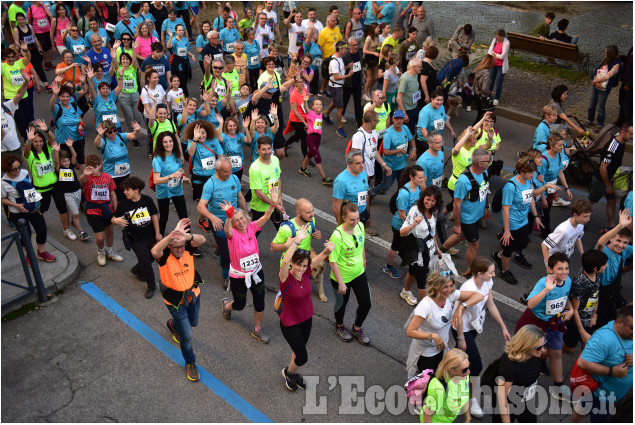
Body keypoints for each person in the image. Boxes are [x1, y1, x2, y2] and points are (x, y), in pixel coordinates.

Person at [451, 257, 512, 418]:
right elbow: (458, 314)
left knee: (462, 362)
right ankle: (471, 400)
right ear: (479, 273)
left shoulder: (487, 283)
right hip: (461, 328)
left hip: (473, 327)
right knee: (476, 366)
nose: (493, 275)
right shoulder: (468, 287)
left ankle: (455, 388)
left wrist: (503, 327)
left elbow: (490, 303)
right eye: (491, 272)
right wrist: (460, 338)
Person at [278, 225, 334, 391]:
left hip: (307, 318)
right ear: (292, 264)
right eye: (298, 265)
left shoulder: (307, 272)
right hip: (290, 322)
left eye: (304, 266)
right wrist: (297, 241)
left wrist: (328, 250)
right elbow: (286, 260)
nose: (301, 269)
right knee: (302, 357)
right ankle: (288, 372)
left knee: (298, 350)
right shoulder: (285, 277)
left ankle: (293, 373)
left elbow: (320, 258)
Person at [514, 252, 575, 402]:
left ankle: (558, 387)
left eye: (566, 268)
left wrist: (571, 309)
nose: (564, 272)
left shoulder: (568, 281)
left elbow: (566, 297)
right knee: (525, 355)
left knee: (556, 353)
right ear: (550, 269)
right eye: (560, 269)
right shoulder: (543, 283)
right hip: (534, 322)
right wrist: (547, 290)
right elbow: (530, 304)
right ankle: (516, 384)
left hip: (554, 323)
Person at [151, 218, 206, 382]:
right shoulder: (164, 255)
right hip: (175, 302)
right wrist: (171, 236)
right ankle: (190, 362)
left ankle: (173, 325)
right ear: (169, 246)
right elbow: (154, 251)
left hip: (193, 295)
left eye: (181, 246)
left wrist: (186, 237)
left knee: (194, 323)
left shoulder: (187, 247)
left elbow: (202, 240)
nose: (180, 250)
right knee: (187, 335)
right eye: (176, 247)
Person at [220, 190, 278, 344]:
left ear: (246, 218)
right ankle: (227, 306)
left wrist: (273, 204)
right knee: (240, 305)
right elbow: (226, 229)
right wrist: (228, 216)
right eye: (236, 220)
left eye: (241, 218)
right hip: (238, 276)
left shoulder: (252, 227)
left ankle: (257, 330)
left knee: (260, 302)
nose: (240, 222)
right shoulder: (232, 235)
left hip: (256, 273)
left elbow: (265, 217)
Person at [406, 271, 484, 378]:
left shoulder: (450, 296)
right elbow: (410, 331)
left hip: (441, 349)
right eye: (445, 287)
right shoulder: (426, 305)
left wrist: (461, 307)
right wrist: (433, 336)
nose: (449, 290)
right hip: (426, 353)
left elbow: (479, 295)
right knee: (424, 384)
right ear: (436, 287)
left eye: (451, 286)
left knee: (438, 380)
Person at [575, 304, 633, 423]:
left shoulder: (629, 333)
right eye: (632, 328)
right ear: (619, 322)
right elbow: (583, 363)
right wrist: (612, 371)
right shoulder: (603, 339)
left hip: (623, 396)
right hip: (602, 397)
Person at [491, 158, 544, 284]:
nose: (533, 175)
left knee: (523, 243)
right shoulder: (511, 186)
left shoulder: (529, 180)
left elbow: (530, 197)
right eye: (530, 172)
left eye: (533, 172)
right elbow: (505, 209)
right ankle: (504, 271)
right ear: (521, 171)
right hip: (512, 222)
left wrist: (536, 216)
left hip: (523, 220)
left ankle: (499, 255)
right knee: (509, 249)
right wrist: (507, 231)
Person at [197, 157, 247, 289]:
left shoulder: (234, 179)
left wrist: (247, 216)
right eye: (226, 171)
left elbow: (240, 197)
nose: (229, 174)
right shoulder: (210, 184)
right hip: (219, 223)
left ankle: (220, 247)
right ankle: (226, 275)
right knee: (226, 252)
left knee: (237, 246)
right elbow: (201, 206)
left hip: (235, 220)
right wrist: (212, 217)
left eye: (230, 170)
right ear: (217, 170)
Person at [329, 203, 373, 345]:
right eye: (352, 220)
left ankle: (357, 327)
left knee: (366, 303)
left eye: (357, 218)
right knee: (342, 304)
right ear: (343, 218)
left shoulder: (359, 226)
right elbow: (332, 260)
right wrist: (341, 282)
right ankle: (339, 326)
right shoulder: (337, 235)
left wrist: (364, 259)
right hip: (342, 277)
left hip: (358, 272)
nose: (356, 222)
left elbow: (362, 244)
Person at [442, 148, 491, 275]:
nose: (490, 161)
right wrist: (457, 225)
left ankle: (441, 251)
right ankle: (471, 270)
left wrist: (486, 207)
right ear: (480, 163)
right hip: (467, 218)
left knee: (462, 235)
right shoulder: (463, 181)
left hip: (477, 215)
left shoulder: (484, 172)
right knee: (474, 244)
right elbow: (456, 204)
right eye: (488, 160)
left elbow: (484, 190)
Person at [1, 154, 56, 264]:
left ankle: (41, 252)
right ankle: (29, 255)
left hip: (32, 208)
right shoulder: (3, 182)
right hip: (17, 212)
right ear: (7, 169)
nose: (17, 171)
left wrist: (36, 195)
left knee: (41, 229)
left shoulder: (24, 172)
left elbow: (29, 188)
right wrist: (17, 206)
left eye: (19, 167)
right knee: (26, 234)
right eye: (14, 169)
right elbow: (2, 199)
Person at [111, 177, 160, 299]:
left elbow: (154, 216)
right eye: (124, 190)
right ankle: (151, 286)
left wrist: (158, 233)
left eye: (127, 190)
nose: (125, 192)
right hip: (135, 239)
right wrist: (116, 220)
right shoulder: (123, 204)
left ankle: (137, 268)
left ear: (136, 189)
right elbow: (113, 219)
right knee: (145, 262)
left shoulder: (147, 200)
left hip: (150, 236)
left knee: (152, 258)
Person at [23, 124, 70, 237]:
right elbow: (26, 152)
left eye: (40, 141)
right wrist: (28, 141)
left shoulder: (47, 150)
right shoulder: (30, 156)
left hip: (55, 185)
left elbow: (53, 139)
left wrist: (47, 130)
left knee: (62, 207)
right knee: (44, 207)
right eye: (36, 142)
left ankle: (67, 230)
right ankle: (35, 222)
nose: (39, 144)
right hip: (41, 189)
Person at [399, 184, 443, 304]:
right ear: (423, 197)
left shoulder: (434, 211)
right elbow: (402, 233)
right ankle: (426, 310)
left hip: (427, 249)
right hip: (415, 250)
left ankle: (405, 291)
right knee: (422, 282)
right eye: (427, 199)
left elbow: (432, 232)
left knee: (413, 272)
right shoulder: (415, 210)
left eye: (433, 200)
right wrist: (413, 224)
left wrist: (437, 248)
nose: (429, 202)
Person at [493, 324, 546, 423]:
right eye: (539, 347)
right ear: (526, 346)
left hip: (526, 401)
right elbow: (502, 397)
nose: (543, 350)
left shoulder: (534, 355)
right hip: (509, 405)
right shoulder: (509, 365)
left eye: (544, 344)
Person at [79, 154, 124, 267]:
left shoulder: (107, 177)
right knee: (100, 237)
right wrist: (85, 173)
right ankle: (101, 251)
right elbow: (81, 180)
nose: (93, 169)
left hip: (107, 208)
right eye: (90, 167)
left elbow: (112, 193)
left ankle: (110, 252)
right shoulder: (87, 178)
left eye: (95, 166)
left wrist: (116, 210)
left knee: (110, 231)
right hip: (93, 210)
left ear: (100, 166)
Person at [561, 249, 608, 354]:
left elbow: (596, 293)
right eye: (604, 264)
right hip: (576, 323)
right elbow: (575, 309)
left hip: (589, 320)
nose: (607, 266)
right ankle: (544, 355)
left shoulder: (597, 275)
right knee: (569, 349)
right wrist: (581, 331)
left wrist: (594, 314)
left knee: (587, 347)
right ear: (595, 268)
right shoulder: (580, 283)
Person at [588, 123, 633, 228]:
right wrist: (608, 185)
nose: (632, 137)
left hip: (609, 179)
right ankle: (578, 219)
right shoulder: (613, 146)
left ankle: (611, 226)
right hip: (601, 180)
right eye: (631, 134)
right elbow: (603, 168)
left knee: (612, 201)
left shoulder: (622, 141)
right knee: (591, 201)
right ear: (623, 133)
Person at [594, 210, 632, 328]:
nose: (621, 245)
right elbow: (600, 242)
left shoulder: (626, 250)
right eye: (618, 240)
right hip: (598, 294)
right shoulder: (603, 250)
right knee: (596, 326)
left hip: (613, 293)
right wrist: (620, 225)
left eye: (625, 242)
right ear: (611, 239)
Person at [152, 131, 190, 237]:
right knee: (164, 217)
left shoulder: (176, 155)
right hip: (164, 191)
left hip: (177, 189)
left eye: (170, 141)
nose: (168, 144)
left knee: (184, 217)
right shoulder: (157, 159)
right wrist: (171, 176)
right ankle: (159, 239)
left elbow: (180, 169)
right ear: (161, 144)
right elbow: (156, 180)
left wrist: (184, 177)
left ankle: (189, 243)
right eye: (165, 142)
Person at [93, 120, 141, 201]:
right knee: (117, 197)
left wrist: (138, 130)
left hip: (125, 173)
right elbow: (97, 144)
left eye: (114, 130)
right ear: (105, 133)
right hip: (112, 175)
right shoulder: (103, 141)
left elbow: (134, 135)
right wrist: (99, 135)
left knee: (127, 195)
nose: (113, 133)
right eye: (110, 132)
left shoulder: (121, 136)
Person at [52, 139, 89, 241]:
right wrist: (56, 151)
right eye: (64, 161)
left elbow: (74, 156)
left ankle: (73, 220)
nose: (67, 162)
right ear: (60, 162)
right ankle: (81, 232)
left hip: (77, 190)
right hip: (68, 194)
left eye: (67, 160)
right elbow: (55, 161)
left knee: (76, 210)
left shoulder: (71, 165)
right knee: (76, 214)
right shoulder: (59, 169)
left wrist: (70, 146)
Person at [371, 110, 414, 197]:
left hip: (402, 165)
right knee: (385, 186)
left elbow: (411, 139)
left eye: (401, 118)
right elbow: (386, 152)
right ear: (392, 119)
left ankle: (398, 201)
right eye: (396, 118)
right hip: (390, 166)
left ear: (403, 119)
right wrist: (398, 150)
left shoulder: (405, 128)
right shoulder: (388, 134)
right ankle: (370, 193)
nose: (399, 121)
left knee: (402, 185)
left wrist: (414, 149)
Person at [249, 136, 285, 234]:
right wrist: (275, 204)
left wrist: (279, 198)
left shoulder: (275, 160)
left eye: (269, 148)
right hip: (260, 208)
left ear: (272, 147)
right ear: (258, 150)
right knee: (254, 234)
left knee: (283, 231)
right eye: (263, 149)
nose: (267, 151)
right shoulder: (255, 168)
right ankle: (250, 249)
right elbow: (259, 193)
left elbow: (278, 179)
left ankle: (287, 249)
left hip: (275, 204)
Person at [541, 199, 592, 268]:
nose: (588, 219)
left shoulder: (580, 225)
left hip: (564, 259)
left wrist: (583, 255)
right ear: (575, 215)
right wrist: (548, 265)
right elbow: (544, 245)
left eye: (589, 216)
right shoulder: (563, 230)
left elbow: (577, 238)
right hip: (554, 260)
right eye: (585, 216)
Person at [585, 45, 621, 129]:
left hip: (604, 88)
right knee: (592, 104)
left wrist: (595, 81)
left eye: (606, 52)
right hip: (596, 86)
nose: (604, 54)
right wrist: (594, 79)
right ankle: (589, 120)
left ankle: (599, 123)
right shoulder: (604, 60)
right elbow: (597, 71)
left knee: (600, 106)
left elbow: (608, 76)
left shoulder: (616, 64)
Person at [322, 41, 353, 138]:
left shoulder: (339, 58)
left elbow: (339, 69)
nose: (346, 50)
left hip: (338, 86)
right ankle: (339, 127)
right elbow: (336, 77)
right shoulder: (334, 61)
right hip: (336, 86)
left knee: (336, 102)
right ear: (340, 49)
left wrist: (346, 67)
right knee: (340, 107)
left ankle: (326, 115)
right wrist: (348, 75)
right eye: (345, 48)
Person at [1, 43, 32, 140]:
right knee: (20, 119)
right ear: (5, 57)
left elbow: (28, 58)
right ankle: (25, 137)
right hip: (12, 97)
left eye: (12, 57)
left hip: (24, 95)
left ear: (15, 57)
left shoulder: (20, 63)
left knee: (28, 116)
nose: (10, 59)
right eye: (8, 57)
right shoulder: (3, 67)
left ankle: (28, 133)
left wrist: (26, 50)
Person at [341, 36, 365, 130]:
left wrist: (363, 74)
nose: (356, 47)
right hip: (348, 83)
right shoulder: (345, 55)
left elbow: (360, 65)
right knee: (345, 100)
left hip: (357, 82)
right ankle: (342, 114)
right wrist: (347, 67)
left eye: (357, 45)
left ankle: (358, 121)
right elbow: (339, 69)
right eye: (354, 45)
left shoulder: (359, 53)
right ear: (349, 45)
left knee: (358, 102)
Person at [167, 24, 195, 98]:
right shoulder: (174, 40)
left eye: (182, 30)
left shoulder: (185, 39)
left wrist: (192, 55)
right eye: (179, 30)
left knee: (185, 80)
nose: (181, 31)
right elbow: (169, 46)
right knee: (179, 80)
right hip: (177, 62)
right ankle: (183, 96)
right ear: (176, 31)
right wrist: (170, 37)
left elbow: (187, 51)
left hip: (185, 62)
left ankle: (184, 96)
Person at [317, 15, 342, 97]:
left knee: (336, 73)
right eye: (334, 21)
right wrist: (323, 58)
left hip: (337, 55)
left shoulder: (337, 28)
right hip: (328, 57)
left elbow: (340, 40)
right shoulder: (323, 32)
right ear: (328, 22)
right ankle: (322, 90)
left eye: (336, 21)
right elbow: (320, 45)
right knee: (327, 75)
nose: (336, 22)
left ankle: (335, 89)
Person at [397, 57, 422, 138]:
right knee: (407, 133)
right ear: (414, 67)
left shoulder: (415, 75)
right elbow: (398, 98)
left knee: (412, 130)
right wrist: (404, 113)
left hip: (414, 107)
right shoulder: (405, 78)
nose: (421, 68)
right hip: (407, 110)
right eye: (420, 67)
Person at [487, 29, 510, 106]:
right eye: (495, 37)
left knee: (499, 82)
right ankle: (489, 95)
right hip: (493, 64)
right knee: (491, 80)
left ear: (502, 36)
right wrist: (494, 54)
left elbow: (502, 56)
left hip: (501, 66)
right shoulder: (495, 40)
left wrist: (494, 54)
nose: (495, 38)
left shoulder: (506, 43)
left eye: (497, 37)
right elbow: (489, 50)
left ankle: (497, 98)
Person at [472, 54, 494, 124]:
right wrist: (490, 93)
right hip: (482, 97)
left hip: (476, 95)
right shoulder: (487, 74)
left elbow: (474, 84)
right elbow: (484, 89)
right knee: (481, 117)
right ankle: (473, 131)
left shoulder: (478, 70)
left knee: (479, 114)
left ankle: (474, 130)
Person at [362, 23, 381, 101]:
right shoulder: (368, 38)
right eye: (377, 28)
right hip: (369, 58)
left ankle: (369, 89)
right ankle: (365, 94)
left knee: (376, 76)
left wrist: (379, 47)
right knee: (369, 78)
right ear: (373, 29)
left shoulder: (377, 37)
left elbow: (377, 46)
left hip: (375, 57)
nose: (379, 29)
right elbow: (364, 50)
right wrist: (374, 53)